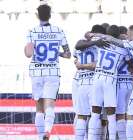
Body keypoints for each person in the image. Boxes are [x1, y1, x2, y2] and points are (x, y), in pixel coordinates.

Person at [24, 4, 71, 140]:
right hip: (52, 72)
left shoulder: (32, 31)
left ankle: (40, 137)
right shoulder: (58, 31)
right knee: (49, 105)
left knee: (39, 107)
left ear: (38, 15)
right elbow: (68, 54)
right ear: (50, 15)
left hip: (37, 71)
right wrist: (58, 53)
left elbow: (28, 53)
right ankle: (48, 131)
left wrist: (26, 48)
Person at [72, 25, 100, 140]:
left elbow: (77, 50)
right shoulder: (101, 47)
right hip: (94, 84)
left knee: (81, 116)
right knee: (95, 115)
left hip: (82, 83)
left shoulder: (81, 45)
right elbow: (96, 65)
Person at [116, 26, 133, 140]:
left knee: (120, 115)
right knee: (131, 115)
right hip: (130, 83)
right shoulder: (132, 46)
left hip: (119, 84)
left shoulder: (116, 46)